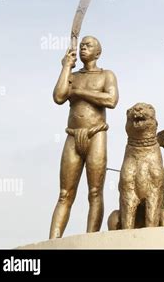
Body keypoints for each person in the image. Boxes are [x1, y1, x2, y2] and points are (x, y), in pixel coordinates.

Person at [50, 36, 119, 239]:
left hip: (96, 133)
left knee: (95, 191)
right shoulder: (73, 75)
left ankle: (90, 239)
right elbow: (59, 97)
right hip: (72, 135)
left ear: (98, 52)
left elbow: (111, 100)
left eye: (88, 45)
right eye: (81, 45)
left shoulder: (106, 75)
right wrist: (66, 67)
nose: (83, 48)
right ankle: (53, 240)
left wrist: (79, 91)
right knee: (65, 193)